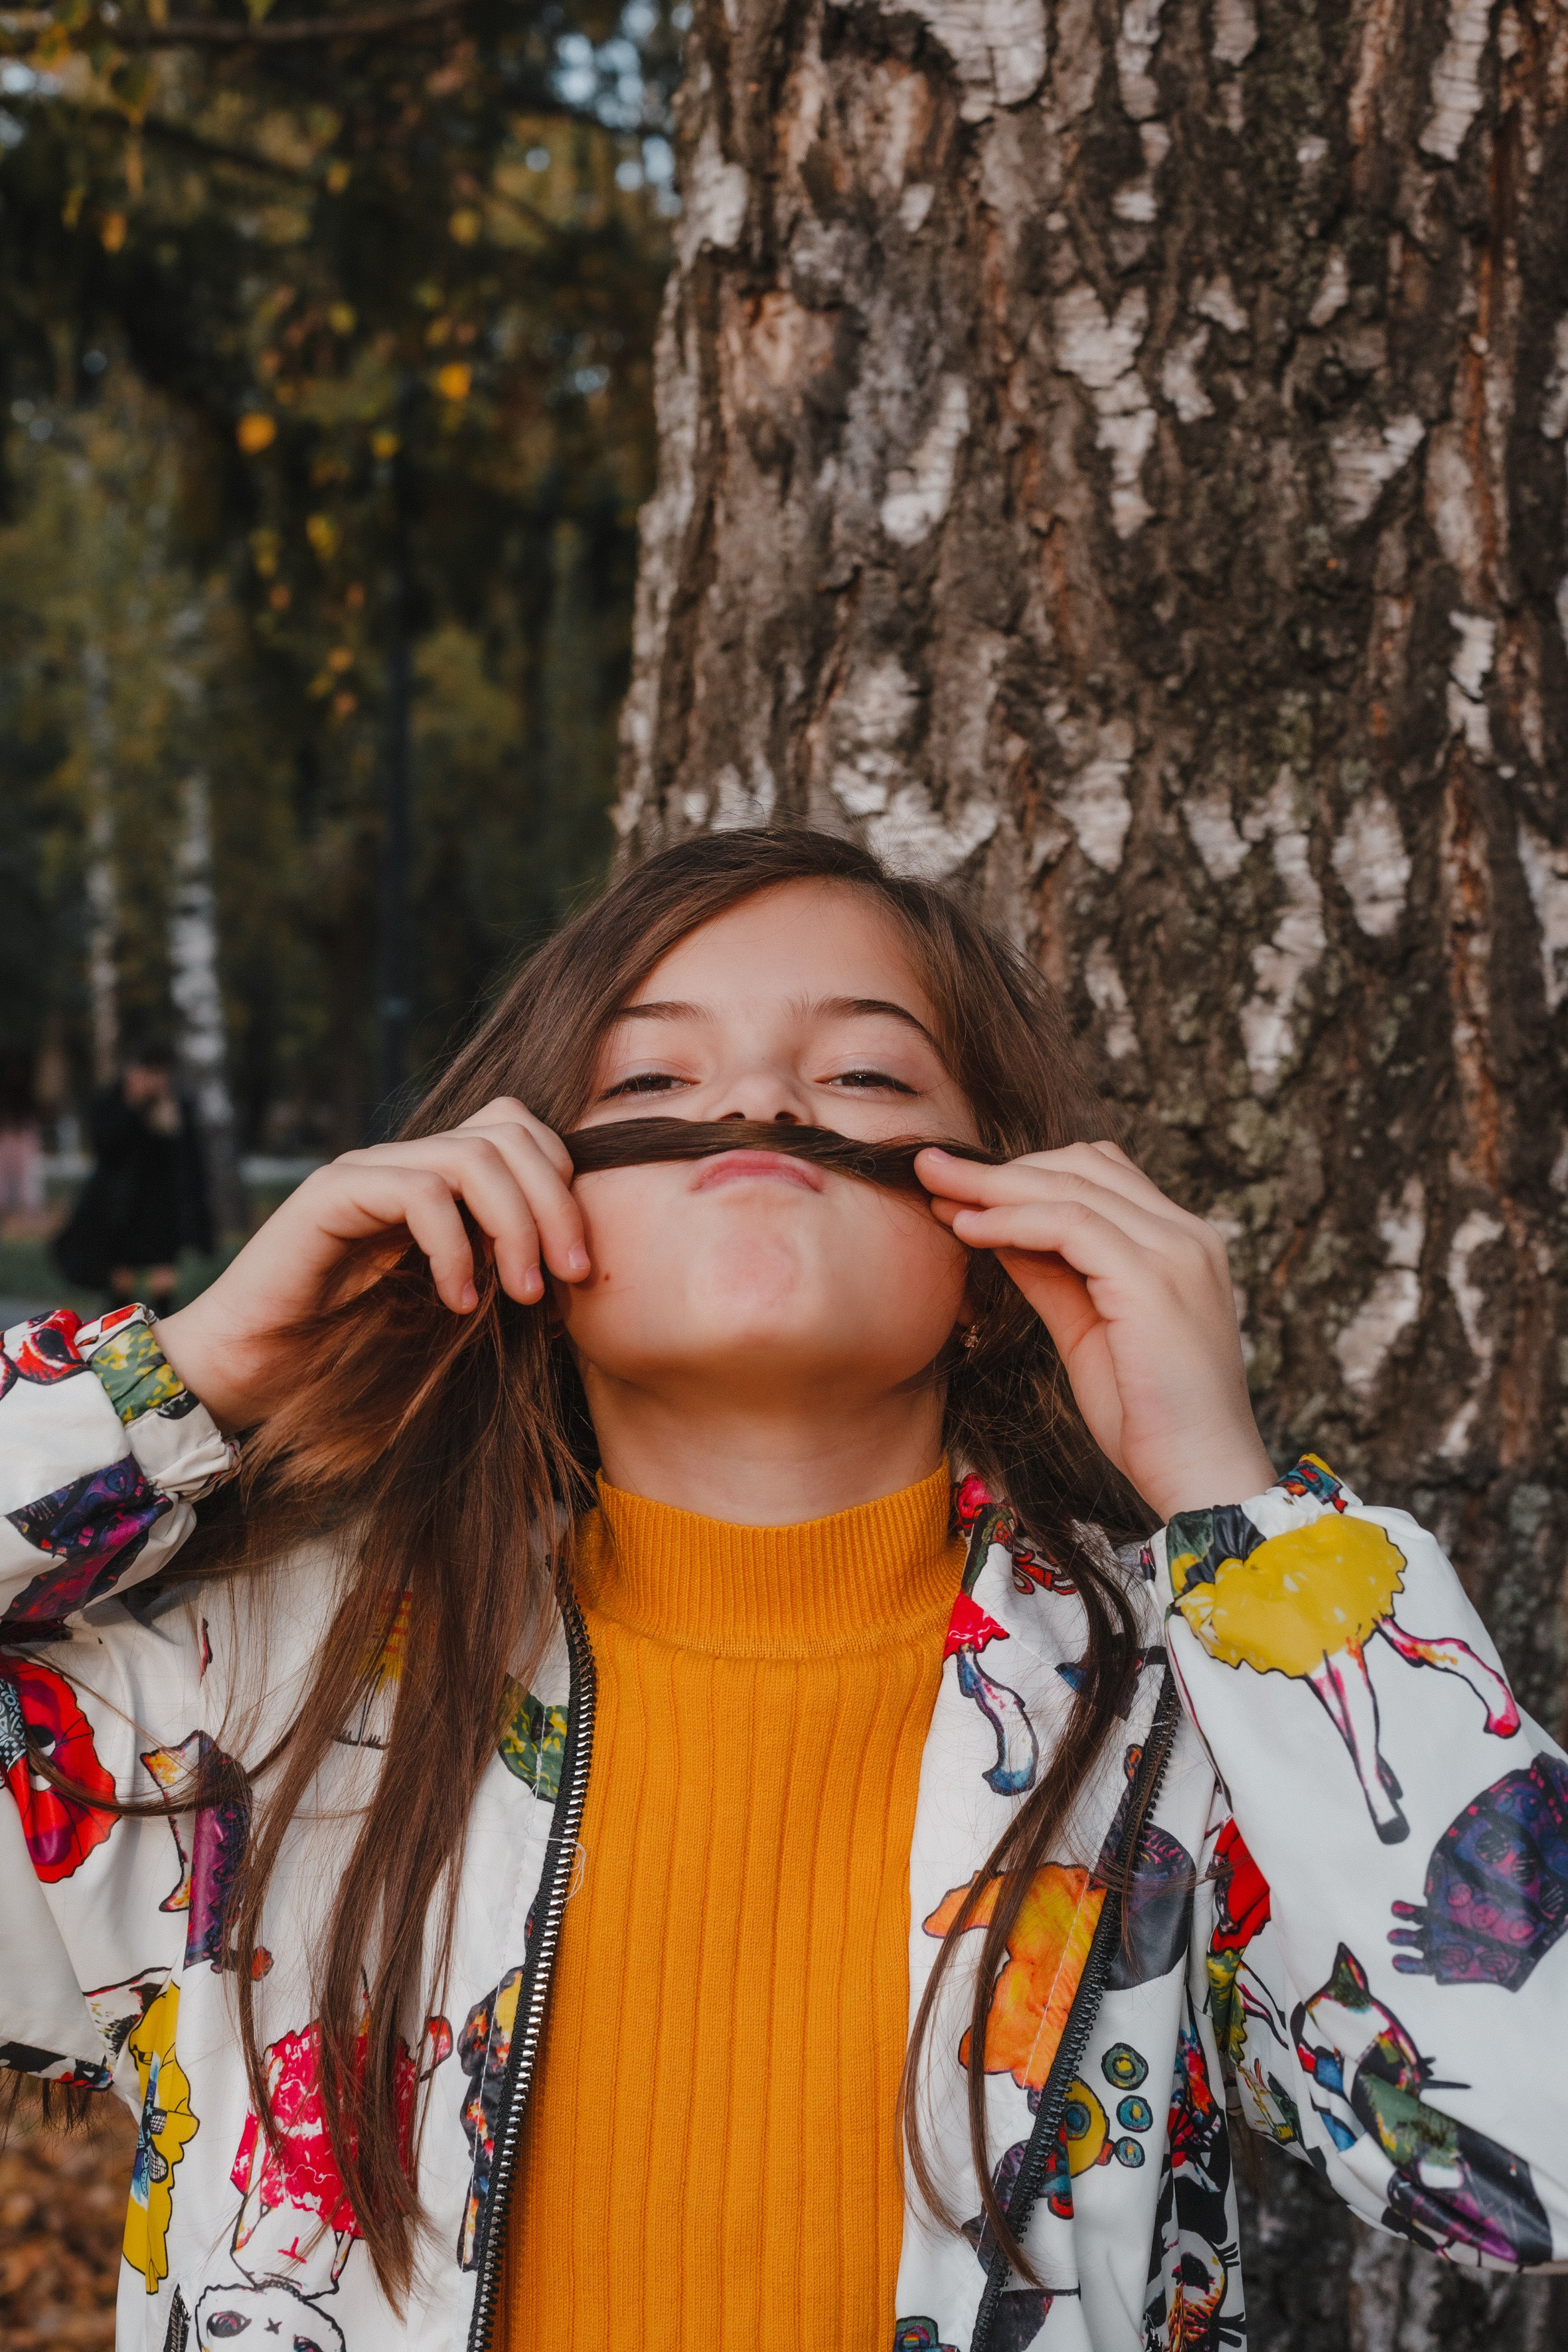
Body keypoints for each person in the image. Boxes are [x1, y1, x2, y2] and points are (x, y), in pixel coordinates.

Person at [0, 829, 1561, 2352]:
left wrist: (1231, 1504)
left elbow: (1531, 2151)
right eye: (649, 1083)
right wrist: (184, 1371)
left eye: (864, 1077)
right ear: (512, 1213)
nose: (753, 1103)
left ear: (992, 1249)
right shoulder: (242, 1698)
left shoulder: (1190, 1712)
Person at [50, 1046, 214, 1314]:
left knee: (163, 1265)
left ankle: (164, 1318)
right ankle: (120, 1320)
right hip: (120, 1203)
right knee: (120, 1268)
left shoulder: (175, 1103)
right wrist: (132, 1105)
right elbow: (105, 1146)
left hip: (162, 1200)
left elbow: (185, 1151)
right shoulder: (114, 1101)